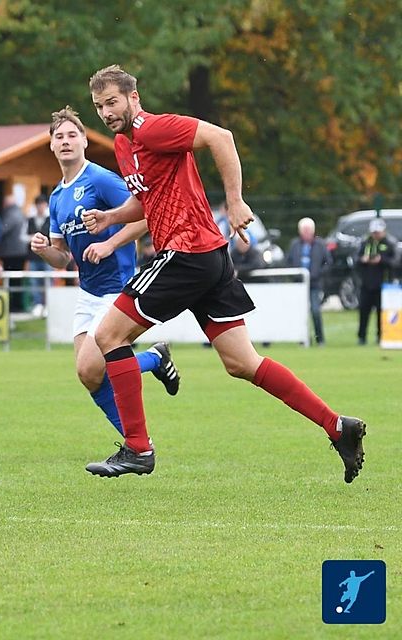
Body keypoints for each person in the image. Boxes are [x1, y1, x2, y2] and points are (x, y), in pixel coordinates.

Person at [82, 64, 364, 481]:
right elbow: (148, 199)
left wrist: (234, 201)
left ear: (133, 97)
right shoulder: (125, 144)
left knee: (108, 337)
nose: (106, 112)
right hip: (209, 258)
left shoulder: (152, 128)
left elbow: (220, 137)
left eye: (112, 102)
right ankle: (338, 426)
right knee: (242, 362)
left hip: (185, 253)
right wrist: (111, 218)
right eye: (99, 106)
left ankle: (138, 449)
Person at [31, 105, 180, 442]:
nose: (66, 141)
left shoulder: (100, 179)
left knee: (91, 366)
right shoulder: (57, 197)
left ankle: (152, 363)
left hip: (118, 288)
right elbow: (62, 258)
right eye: (59, 136)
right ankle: (136, 442)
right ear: (51, 145)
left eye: (72, 135)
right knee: (89, 376)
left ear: (84, 141)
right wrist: (44, 251)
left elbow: (145, 217)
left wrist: (111, 243)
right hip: (88, 293)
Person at [285, 217, 330, 345]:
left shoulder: (320, 245)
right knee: (300, 313)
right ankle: (302, 338)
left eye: (308, 230)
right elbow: (288, 261)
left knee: (315, 311)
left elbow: (328, 263)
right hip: (299, 285)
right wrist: (294, 275)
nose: (306, 233)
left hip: (314, 284)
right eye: (304, 230)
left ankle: (320, 338)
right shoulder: (294, 245)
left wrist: (317, 274)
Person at [356, 217, 396, 345]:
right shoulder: (365, 243)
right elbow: (355, 259)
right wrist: (363, 260)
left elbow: (395, 262)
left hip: (382, 285)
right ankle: (362, 337)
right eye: (374, 232)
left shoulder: (389, 243)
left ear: (383, 231)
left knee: (381, 312)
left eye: (378, 232)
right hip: (366, 283)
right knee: (363, 311)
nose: (376, 235)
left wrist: (381, 260)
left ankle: (381, 336)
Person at [0, 194, 29, 312]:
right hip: (20, 251)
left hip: (11, 252)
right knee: (17, 280)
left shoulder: (10, 214)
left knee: (12, 280)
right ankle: (17, 305)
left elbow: (2, 229)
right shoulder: (20, 213)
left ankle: (14, 306)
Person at [25, 195, 51, 316]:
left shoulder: (51, 219)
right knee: (34, 281)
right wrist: (33, 238)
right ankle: (37, 304)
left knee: (47, 281)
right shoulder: (30, 220)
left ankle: (47, 305)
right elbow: (22, 236)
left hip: (48, 256)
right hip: (33, 256)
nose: (40, 207)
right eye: (38, 204)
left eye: (42, 204)